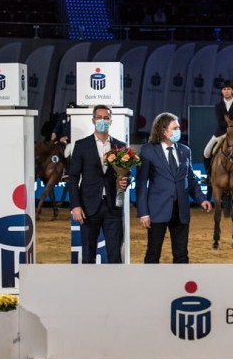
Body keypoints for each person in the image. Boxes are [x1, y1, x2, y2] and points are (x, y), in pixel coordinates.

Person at [136, 112, 211, 264]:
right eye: (175, 128)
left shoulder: (185, 151)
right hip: (157, 210)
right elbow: (142, 183)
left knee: (182, 254)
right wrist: (143, 213)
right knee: (153, 252)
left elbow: (190, 179)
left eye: (178, 128)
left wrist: (201, 199)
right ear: (163, 131)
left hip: (181, 211)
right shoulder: (148, 150)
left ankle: (180, 286)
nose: (179, 131)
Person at [67, 105, 129, 264]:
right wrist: (75, 206)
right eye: (99, 117)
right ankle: (89, 288)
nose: (103, 120)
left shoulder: (120, 146)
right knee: (88, 254)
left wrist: (126, 181)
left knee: (115, 254)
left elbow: (127, 174)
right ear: (93, 120)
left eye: (106, 118)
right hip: (88, 208)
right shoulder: (82, 145)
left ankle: (115, 287)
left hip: (113, 207)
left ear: (111, 121)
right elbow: (73, 177)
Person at [202, 80, 233, 184]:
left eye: (228, 89)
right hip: (220, 133)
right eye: (224, 89)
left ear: (232, 91)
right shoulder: (218, 106)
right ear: (222, 91)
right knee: (206, 152)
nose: (226, 91)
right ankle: (209, 176)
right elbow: (220, 121)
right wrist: (230, 126)